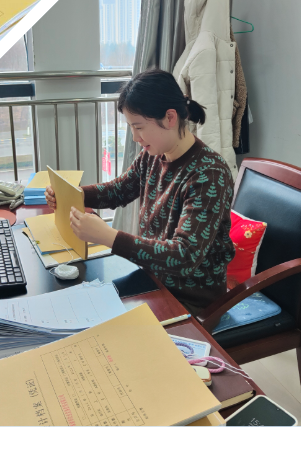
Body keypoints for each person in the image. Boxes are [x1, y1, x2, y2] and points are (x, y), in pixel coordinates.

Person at [45, 68, 234, 314]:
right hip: (152, 279)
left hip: (190, 299)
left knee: (91, 313)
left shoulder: (209, 174)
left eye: (139, 127)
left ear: (170, 118)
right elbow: (120, 189)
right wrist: (73, 193)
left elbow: (184, 256)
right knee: (77, 302)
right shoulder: (153, 155)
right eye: (131, 127)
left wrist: (109, 237)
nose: (135, 137)